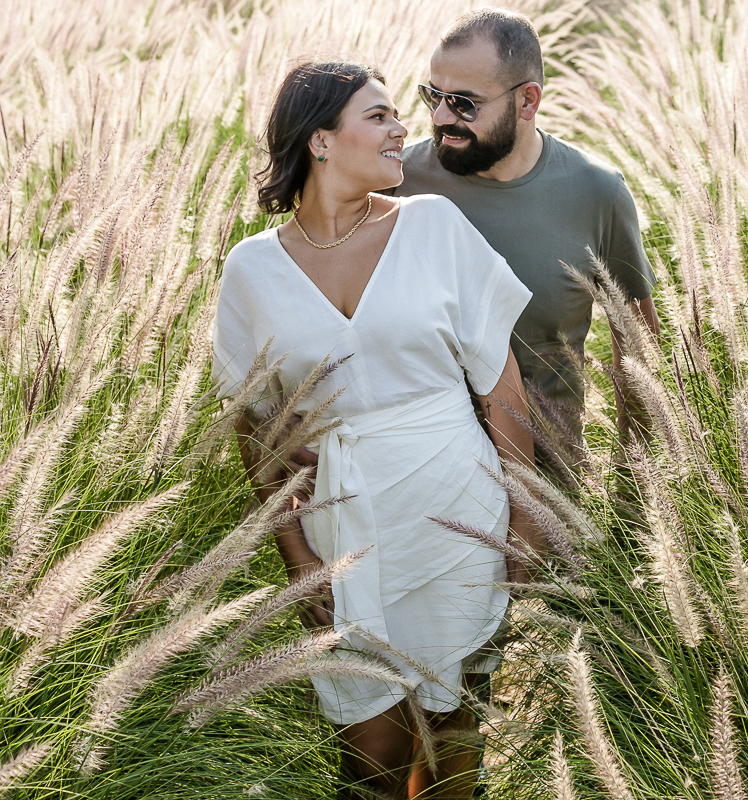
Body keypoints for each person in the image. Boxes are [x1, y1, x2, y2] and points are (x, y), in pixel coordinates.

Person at [211, 61, 539, 799]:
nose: (403, 132)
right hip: (346, 534)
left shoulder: (432, 226)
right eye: (381, 116)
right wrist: (297, 557)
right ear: (321, 140)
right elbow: (252, 427)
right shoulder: (253, 270)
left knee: (456, 745)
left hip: (457, 511)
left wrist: (525, 518)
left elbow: (502, 384)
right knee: (372, 760)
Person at [392, 7, 660, 439]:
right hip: (422, 478)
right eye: (432, 95)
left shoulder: (597, 192)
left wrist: (634, 482)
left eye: (463, 103)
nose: (441, 117)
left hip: (552, 485)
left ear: (527, 101)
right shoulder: (394, 181)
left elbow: (636, 345)